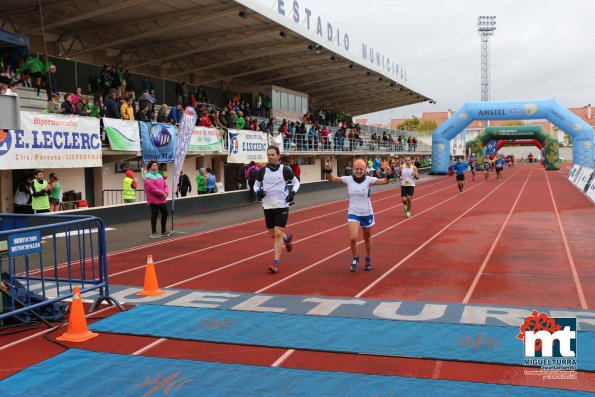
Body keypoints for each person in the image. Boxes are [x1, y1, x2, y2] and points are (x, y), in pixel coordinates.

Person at [324, 158, 392, 272]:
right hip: (353, 212)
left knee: (367, 238)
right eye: (357, 169)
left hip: (367, 213)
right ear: (353, 169)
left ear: (365, 170)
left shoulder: (369, 180)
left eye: (361, 169)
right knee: (353, 237)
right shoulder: (348, 179)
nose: (359, 171)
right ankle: (355, 258)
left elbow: (385, 181)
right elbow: (331, 179)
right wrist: (328, 169)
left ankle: (368, 258)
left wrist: (388, 174)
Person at [254, 145, 301, 273]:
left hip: (282, 205)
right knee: (272, 234)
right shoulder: (262, 171)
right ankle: (287, 239)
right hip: (268, 205)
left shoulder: (285, 170)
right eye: (268, 154)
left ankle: (276, 263)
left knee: (278, 232)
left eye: (272, 155)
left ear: (278, 156)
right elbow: (256, 185)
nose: (270, 157)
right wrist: (258, 192)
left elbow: (296, 182)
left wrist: (292, 193)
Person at [144, 160, 169, 238]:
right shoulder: (148, 176)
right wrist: (163, 194)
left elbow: (165, 185)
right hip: (153, 199)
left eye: (156, 165)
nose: (155, 166)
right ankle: (154, 232)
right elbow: (152, 189)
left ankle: (163, 230)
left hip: (162, 198)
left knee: (165, 213)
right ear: (150, 167)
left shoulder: (159, 175)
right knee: (155, 214)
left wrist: (166, 193)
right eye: (153, 165)